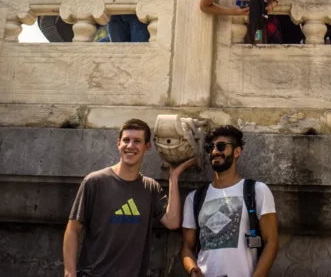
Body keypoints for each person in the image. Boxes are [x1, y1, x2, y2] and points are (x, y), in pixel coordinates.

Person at [63, 118, 195, 277]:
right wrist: (69, 272)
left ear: (147, 147)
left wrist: (173, 177)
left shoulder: (150, 187)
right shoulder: (94, 182)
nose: (130, 146)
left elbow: (172, 222)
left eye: (137, 141)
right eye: (126, 140)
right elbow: (73, 229)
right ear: (118, 143)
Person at [181, 125, 278, 277]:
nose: (215, 152)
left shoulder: (257, 190)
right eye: (210, 148)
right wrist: (193, 270)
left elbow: (271, 243)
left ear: (237, 151)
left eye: (221, 147)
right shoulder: (194, 198)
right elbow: (187, 246)